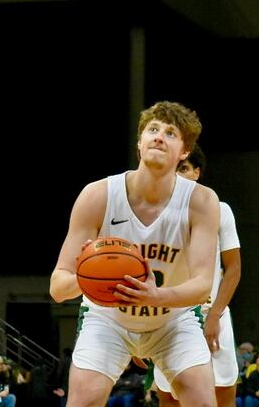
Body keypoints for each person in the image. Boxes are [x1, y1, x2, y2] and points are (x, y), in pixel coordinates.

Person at [49, 101, 221, 407]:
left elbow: (201, 287)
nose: (158, 137)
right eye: (152, 130)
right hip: (109, 319)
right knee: (83, 401)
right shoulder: (98, 195)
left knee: (204, 403)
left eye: (170, 133)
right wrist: (93, 279)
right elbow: (58, 286)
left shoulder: (201, 202)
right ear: (139, 144)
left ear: (184, 151)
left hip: (172, 320)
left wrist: (157, 297)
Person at [154, 144, 243, 407]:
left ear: (197, 172)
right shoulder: (155, 215)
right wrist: (139, 328)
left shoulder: (220, 209)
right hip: (168, 319)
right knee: (170, 397)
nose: (178, 175)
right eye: (174, 169)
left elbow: (234, 268)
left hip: (210, 315)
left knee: (222, 392)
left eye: (184, 168)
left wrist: (215, 315)